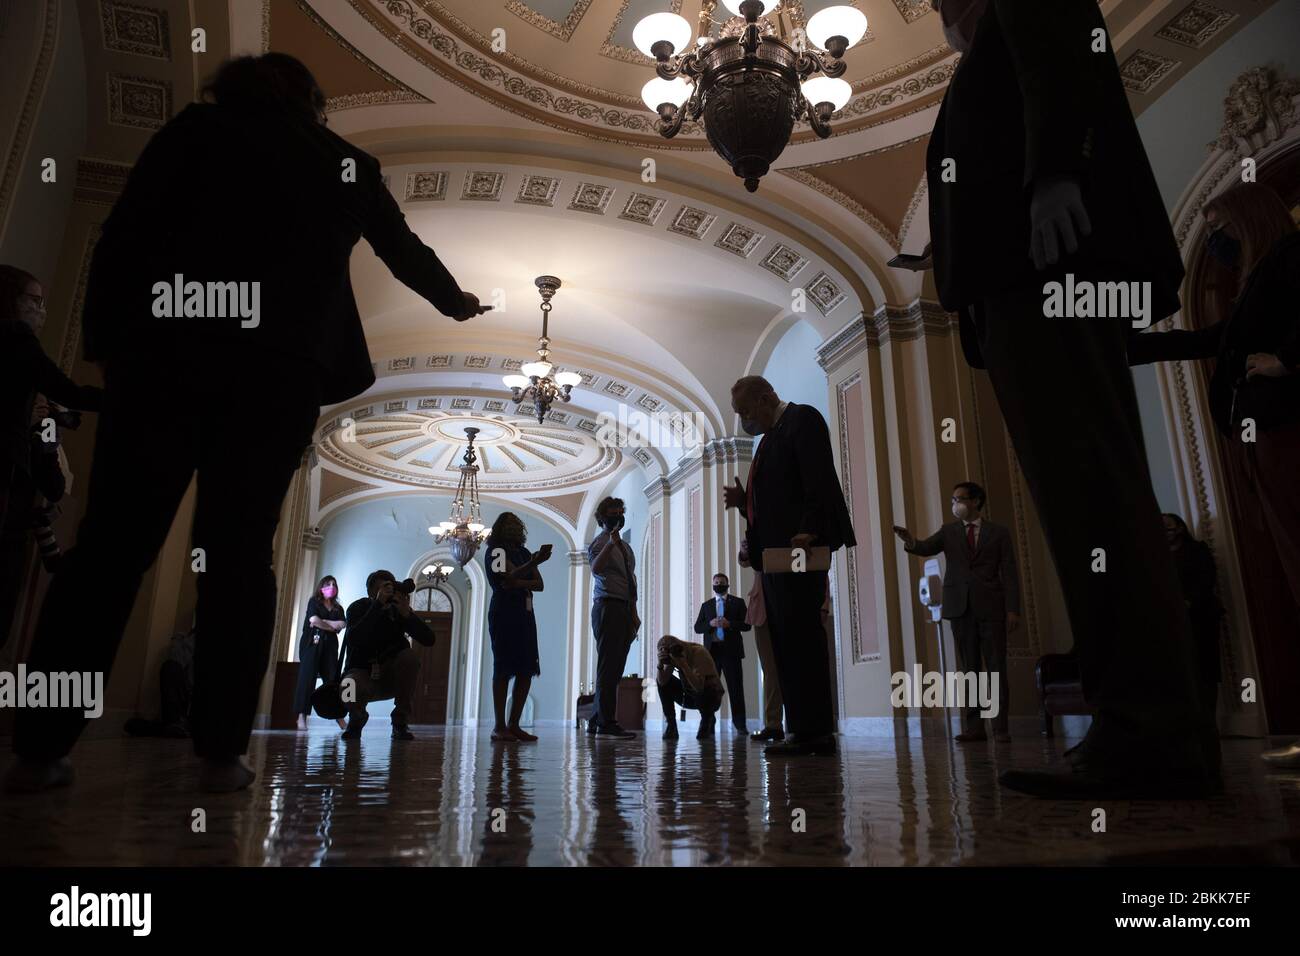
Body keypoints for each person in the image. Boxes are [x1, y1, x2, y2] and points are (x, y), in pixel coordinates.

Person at [5, 53, 489, 795]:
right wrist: (456, 303)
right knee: (238, 558)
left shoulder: (197, 131)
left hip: (166, 356)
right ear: (312, 103)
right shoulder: (346, 161)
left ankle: (41, 747)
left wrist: (107, 345)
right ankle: (222, 753)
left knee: (110, 549)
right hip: (278, 373)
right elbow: (405, 253)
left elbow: (123, 235)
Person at [922, 0, 1218, 798]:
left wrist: (1054, 172)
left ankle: (1151, 736)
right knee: (1084, 500)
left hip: (1047, 271)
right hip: (1019, 285)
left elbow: (1059, 49)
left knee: (1094, 495)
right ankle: (1145, 730)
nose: (940, 11)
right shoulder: (975, 66)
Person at [1126, 183, 1300, 768]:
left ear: (1250, 218)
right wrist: (1127, 348)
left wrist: (1289, 363)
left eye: (1221, 227)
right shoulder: (1251, 285)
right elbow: (1212, 341)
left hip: (1285, 428)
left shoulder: (1291, 257)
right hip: (1257, 436)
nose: (1217, 242)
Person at [724, 376, 856, 756]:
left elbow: (816, 480)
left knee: (803, 637)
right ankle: (800, 730)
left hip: (800, 549)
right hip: (777, 557)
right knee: (785, 641)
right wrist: (746, 503)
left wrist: (809, 529)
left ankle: (815, 732)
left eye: (746, 411)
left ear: (767, 399)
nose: (744, 421)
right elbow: (779, 497)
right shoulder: (768, 440)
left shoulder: (803, 420)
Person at [0, 266, 102, 652]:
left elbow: (54, 485)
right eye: (35, 301)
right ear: (11, 300)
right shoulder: (15, 337)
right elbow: (68, 390)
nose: (42, 311)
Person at [894, 482, 1020, 742]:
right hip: (960, 608)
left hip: (992, 607)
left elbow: (1009, 573)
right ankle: (975, 727)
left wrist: (1012, 610)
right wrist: (910, 541)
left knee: (996, 668)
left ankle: (1000, 728)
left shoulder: (998, 533)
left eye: (960, 499)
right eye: (953, 500)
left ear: (975, 501)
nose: (955, 505)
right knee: (969, 669)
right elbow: (926, 546)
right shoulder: (949, 531)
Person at [341, 570, 435, 741]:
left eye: (389, 589)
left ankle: (400, 722)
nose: (387, 594)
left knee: (409, 657)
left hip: (391, 677)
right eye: (381, 589)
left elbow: (429, 639)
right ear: (370, 591)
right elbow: (355, 638)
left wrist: (408, 616)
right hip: (363, 674)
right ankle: (356, 718)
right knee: (347, 685)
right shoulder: (358, 608)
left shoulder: (397, 610)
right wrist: (377, 605)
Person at [483, 512, 552, 742]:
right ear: (500, 528)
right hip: (503, 612)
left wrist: (518, 577)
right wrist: (532, 564)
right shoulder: (497, 551)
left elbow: (539, 584)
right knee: (503, 666)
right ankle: (499, 725)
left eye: (516, 524)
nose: (514, 527)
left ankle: (514, 724)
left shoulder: (522, 552)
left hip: (524, 614)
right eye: (509, 524)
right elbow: (505, 579)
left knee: (526, 667)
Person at [1162, 515, 1223, 729]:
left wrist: (1189, 602)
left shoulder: (1197, 550)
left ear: (1180, 528)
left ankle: (1208, 723)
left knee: (1206, 670)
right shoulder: (1157, 558)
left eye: (1169, 525)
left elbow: (1206, 580)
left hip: (1200, 618)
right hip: (1172, 623)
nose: (1165, 530)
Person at [587, 496, 640, 739]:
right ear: (603, 517)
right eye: (612, 512)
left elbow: (631, 578)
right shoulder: (599, 542)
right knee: (608, 666)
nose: (618, 515)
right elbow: (596, 569)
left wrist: (634, 612)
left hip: (625, 608)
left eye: (620, 510)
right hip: (607, 607)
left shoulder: (626, 548)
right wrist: (610, 543)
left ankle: (597, 717)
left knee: (616, 667)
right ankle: (607, 721)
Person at [692, 572, 750, 736]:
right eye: (716, 582)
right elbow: (698, 627)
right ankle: (709, 723)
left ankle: (740, 724)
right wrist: (710, 623)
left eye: (721, 582)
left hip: (731, 652)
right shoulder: (707, 605)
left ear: (727, 584)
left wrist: (730, 623)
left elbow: (747, 625)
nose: (718, 584)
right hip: (711, 655)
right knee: (709, 690)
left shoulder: (738, 603)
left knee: (735, 689)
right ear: (713, 585)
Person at [739, 548, 784, 742]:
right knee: (770, 671)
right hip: (762, 609)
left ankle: (800, 723)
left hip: (786, 602)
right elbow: (746, 561)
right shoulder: (758, 525)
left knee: (791, 669)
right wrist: (744, 550)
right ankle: (773, 724)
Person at [294, 574, 347, 731]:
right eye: (328, 584)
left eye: (334, 584)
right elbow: (313, 620)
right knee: (307, 678)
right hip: (312, 643)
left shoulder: (338, 608)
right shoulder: (314, 602)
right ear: (321, 587)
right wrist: (331, 626)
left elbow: (342, 624)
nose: (331, 586)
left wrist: (323, 623)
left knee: (332, 680)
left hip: (330, 646)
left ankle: (339, 717)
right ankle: (301, 717)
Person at [124, 628, 196, 738]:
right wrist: (186, 638)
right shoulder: (186, 641)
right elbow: (175, 660)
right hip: (181, 712)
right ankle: (176, 726)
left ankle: (177, 728)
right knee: (170, 667)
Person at [657, 635, 725, 741]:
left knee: (707, 686)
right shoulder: (674, 655)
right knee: (662, 681)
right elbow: (662, 683)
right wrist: (660, 665)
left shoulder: (699, 652)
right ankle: (671, 726)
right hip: (689, 695)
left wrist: (683, 665)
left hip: (710, 697)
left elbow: (699, 687)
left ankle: (707, 719)